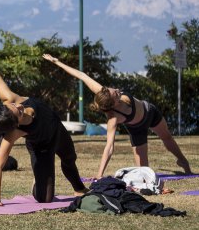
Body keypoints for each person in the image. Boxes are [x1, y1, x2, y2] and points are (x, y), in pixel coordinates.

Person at [0, 20, 88, 205]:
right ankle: (39, 183)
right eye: (18, 114)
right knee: (44, 199)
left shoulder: (9, 97)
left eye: (16, 107)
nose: (20, 108)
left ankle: (79, 188)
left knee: (69, 159)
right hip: (42, 146)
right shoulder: (13, 133)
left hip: (57, 129)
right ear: (16, 124)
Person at [42, 53, 192, 177]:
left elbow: (81, 76)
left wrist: (57, 62)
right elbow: (109, 147)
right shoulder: (113, 118)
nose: (117, 90)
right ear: (113, 103)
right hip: (137, 129)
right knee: (145, 173)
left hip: (150, 112)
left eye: (113, 90)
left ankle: (183, 162)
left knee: (167, 137)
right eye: (116, 94)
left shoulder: (102, 92)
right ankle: (155, 169)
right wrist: (99, 175)